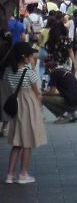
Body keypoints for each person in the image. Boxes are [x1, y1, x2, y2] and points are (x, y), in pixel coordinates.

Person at [4, 42, 47, 184]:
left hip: (15, 106)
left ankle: (10, 175)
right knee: (27, 142)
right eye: (30, 54)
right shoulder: (29, 73)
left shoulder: (8, 71)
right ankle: (23, 174)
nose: (32, 56)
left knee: (17, 142)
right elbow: (37, 93)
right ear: (24, 57)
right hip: (28, 106)